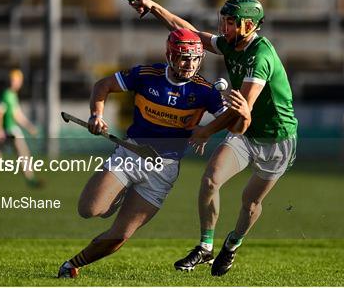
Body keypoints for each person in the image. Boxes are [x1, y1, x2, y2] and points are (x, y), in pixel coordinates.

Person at [131, 0, 298, 276]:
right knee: (210, 179)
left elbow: (242, 110)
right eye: (224, 22)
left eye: (230, 23)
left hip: (276, 140)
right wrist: (155, 8)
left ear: (248, 25)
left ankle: (232, 245)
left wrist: (206, 131)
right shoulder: (232, 45)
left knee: (250, 202)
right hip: (246, 134)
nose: (225, 28)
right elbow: (190, 34)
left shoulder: (260, 57)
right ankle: (205, 247)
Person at [57, 29, 232, 278]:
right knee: (89, 209)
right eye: (184, 57)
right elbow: (103, 85)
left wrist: (210, 129)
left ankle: (71, 265)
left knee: (119, 236)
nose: (189, 64)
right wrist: (97, 115)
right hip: (131, 154)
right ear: (170, 55)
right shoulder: (146, 75)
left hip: (164, 169)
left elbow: (232, 120)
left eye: (195, 59)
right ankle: (118, 193)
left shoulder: (206, 91)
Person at [0, 69, 40, 189]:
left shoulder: (12, 95)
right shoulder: (7, 95)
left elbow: (17, 115)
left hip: (8, 130)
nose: (18, 83)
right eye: (16, 81)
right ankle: (30, 179)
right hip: (10, 130)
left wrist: (29, 127)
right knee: (23, 154)